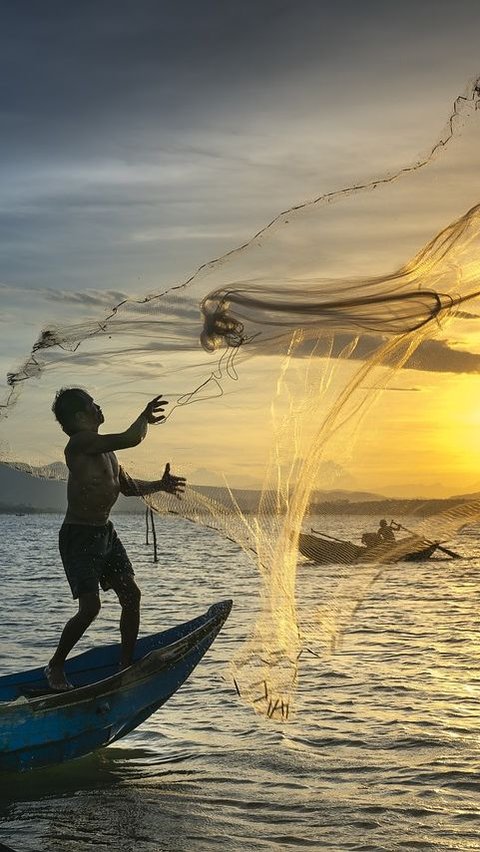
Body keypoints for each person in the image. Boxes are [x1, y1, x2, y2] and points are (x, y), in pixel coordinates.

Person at [45, 387, 186, 691]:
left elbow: (128, 488)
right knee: (90, 608)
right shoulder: (80, 444)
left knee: (131, 595)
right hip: (79, 535)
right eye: (93, 404)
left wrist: (159, 485)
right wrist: (144, 418)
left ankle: (125, 665)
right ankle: (55, 666)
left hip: (105, 533)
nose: (99, 407)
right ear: (81, 417)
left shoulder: (106, 452)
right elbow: (132, 437)